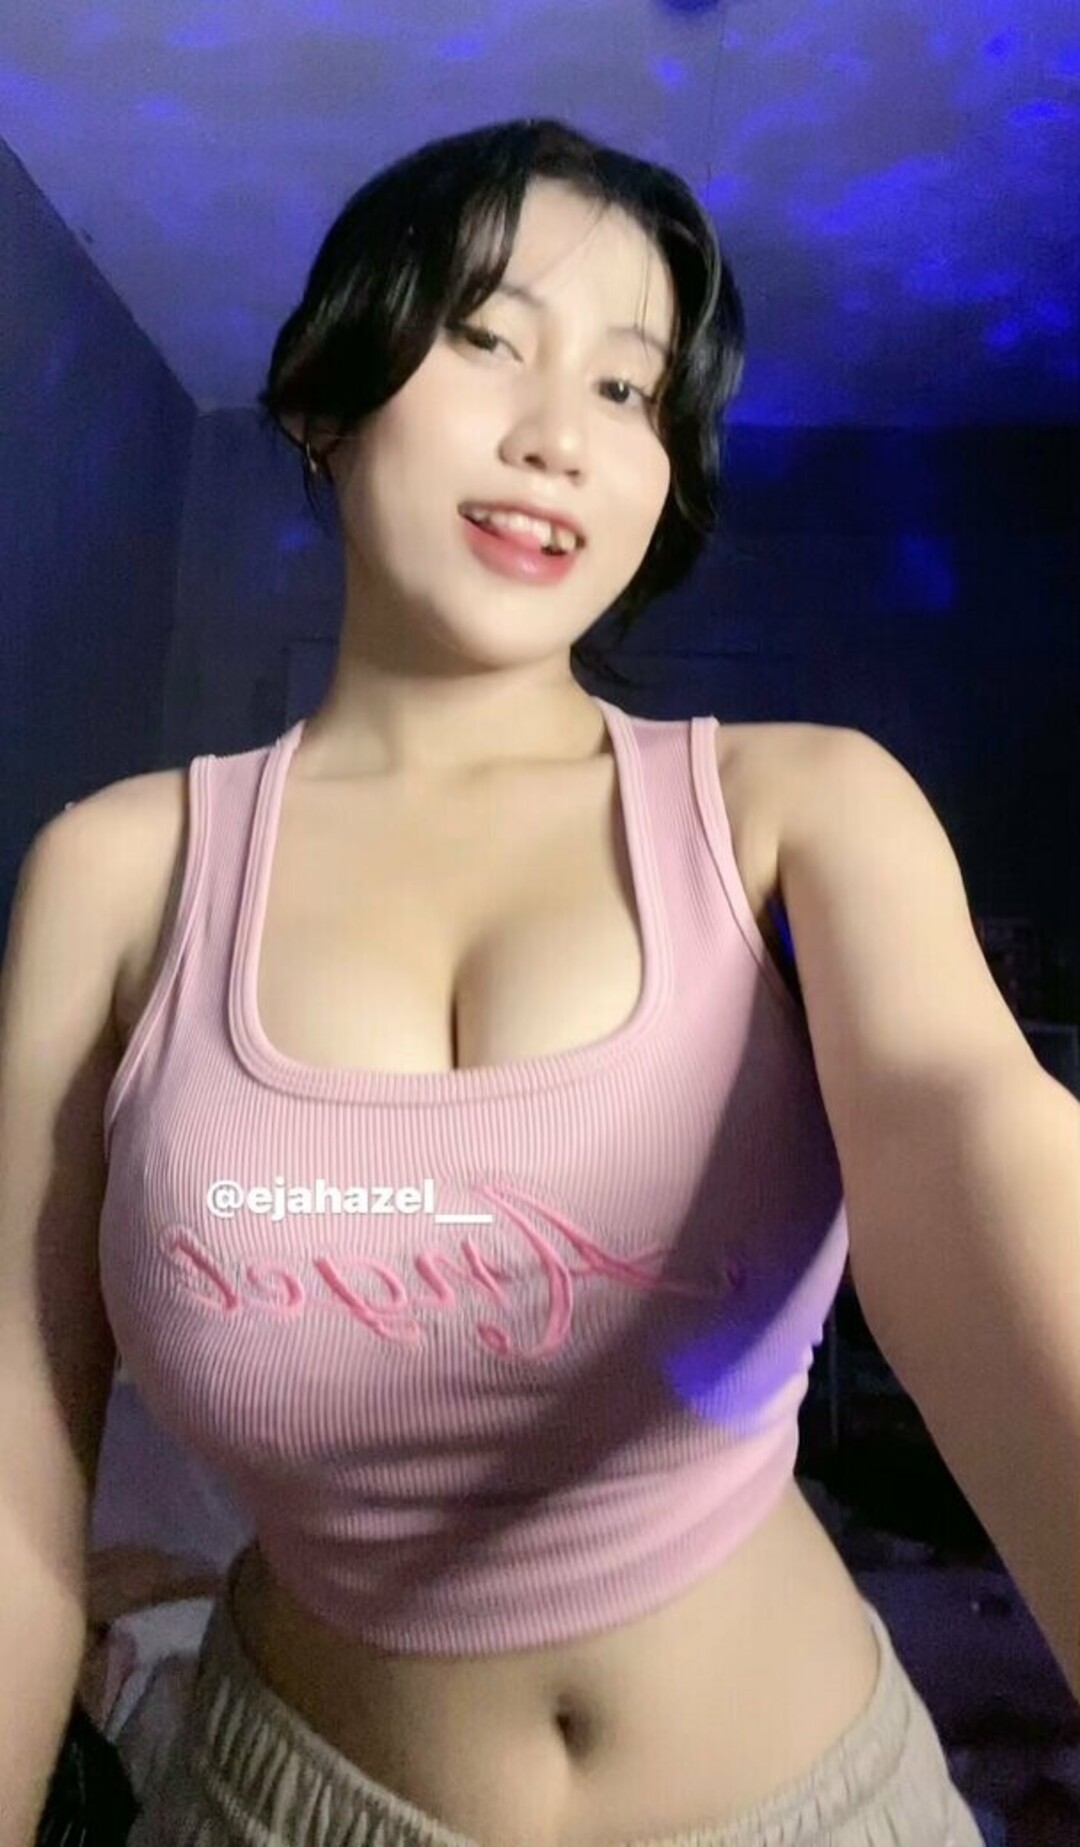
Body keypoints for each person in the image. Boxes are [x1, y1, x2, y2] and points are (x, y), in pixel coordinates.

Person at [0, 117, 988, 1847]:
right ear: (326, 393)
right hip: (280, 1807)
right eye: (485, 339)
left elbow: (982, 1145)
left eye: (628, 390)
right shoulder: (118, 872)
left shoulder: (803, 810)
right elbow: (16, 1475)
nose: (559, 439)